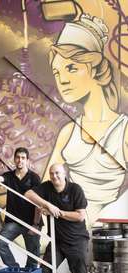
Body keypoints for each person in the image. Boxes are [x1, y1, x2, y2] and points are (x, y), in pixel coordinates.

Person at [45, 14, 128, 225]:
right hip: (67, 222)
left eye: (71, 68)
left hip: (105, 225)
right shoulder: (68, 132)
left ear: (97, 69)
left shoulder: (123, 130)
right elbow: (46, 185)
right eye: (57, 71)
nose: (62, 79)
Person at [25, 163, 89, 273]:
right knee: (45, 269)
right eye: (52, 174)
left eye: (58, 173)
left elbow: (80, 216)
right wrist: (47, 205)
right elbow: (29, 193)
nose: (55, 177)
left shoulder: (75, 189)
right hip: (58, 241)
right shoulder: (47, 187)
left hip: (77, 241)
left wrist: (58, 212)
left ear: (64, 174)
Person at [0, 147, 42, 268]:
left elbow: (39, 203)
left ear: (27, 160)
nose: (20, 160)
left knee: (33, 257)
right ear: (14, 159)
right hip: (14, 221)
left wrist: (35, 224)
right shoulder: (8, 176)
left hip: (31, 222)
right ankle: (15, 269)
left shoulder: (34, 177)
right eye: (18, 157)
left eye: (23, 158)